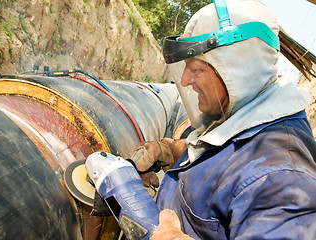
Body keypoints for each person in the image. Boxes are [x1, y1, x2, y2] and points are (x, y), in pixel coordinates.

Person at [130, 0, 316, 239]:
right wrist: (167, 150)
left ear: (239, 71)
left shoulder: (280, 177)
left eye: (197, 69)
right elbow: (222, 162)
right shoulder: (242, 118)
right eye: (185, 68)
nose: (185, 80)